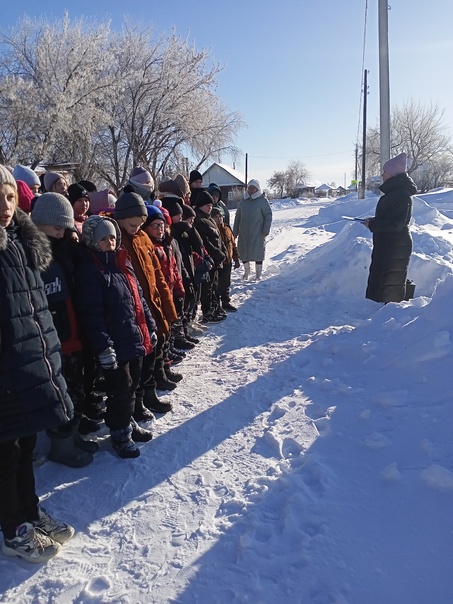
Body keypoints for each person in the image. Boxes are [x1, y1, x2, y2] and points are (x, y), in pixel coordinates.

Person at [0, 165, 75, 563]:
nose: (5, 206)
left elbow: (33, 310)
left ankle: (30, 510)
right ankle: (13, 528)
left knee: (25, 444)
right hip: (5, 374)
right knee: (6, 454)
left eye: (10, 196)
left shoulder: (17, 243)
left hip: (25, 365)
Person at [74, 214, 156, 458]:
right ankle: (119, 432)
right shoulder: (91, 270)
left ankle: (126, 421)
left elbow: (139, 299)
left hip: (134, 337)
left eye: (112, 237)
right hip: (114, 343)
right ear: (92, 241)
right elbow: (93, 314)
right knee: (120, 389)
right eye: (103, 239)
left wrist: (150, 326)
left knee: (132, 385)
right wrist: (103, 347)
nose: (109, 243)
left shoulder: (123, 262)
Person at [31, 192, 98, 468]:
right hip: (51, 339)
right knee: (58, 394)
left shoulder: (65, 251)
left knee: (75, 390)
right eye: (57, 228)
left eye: (65, 229)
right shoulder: (33, 255)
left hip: (72, 333)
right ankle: (61, 444)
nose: (62, 234)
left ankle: (72, 434)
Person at [362, 152, 415, 303]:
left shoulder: (401, 195)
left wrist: (373, 224)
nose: (382, 174)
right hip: (390, 244)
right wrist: (374, 221)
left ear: (392, 174)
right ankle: (383, 315)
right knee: (386, 281)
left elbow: (397, 223)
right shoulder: (395, 193)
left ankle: (390, 318)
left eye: (385, 171)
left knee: (391, 284)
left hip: (396, 245)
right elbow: (391, 219)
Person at [233, 179, 272, 281]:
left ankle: (258, 274)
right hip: (244, 231)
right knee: (243, 251)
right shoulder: (244, 200)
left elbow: (268, 215)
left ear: (257, 189)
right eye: (249, 187)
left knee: (258, 252)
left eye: (253, 188)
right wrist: (235, 231)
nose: (251, 190)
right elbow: (238, 216)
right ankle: (247, 270)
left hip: (257, 232)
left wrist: (265, 229)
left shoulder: (262, 200)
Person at [211, 207, 240, 312]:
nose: (219, 219)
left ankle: (225, 302)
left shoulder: (227, 229)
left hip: (228, 261)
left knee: (226, 282)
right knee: (217, 284)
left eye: (220, 217)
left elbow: (233, 244)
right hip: (217, 263)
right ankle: (216, 304)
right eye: (216, 217)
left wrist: (236, 259)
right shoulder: (211, 230)